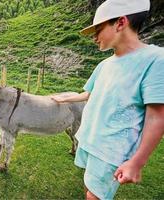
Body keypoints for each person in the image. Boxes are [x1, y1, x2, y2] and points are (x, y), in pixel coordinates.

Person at [51, 0, 164, 199]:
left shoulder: (155, 60)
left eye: (98, 30)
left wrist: (137, 162)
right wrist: (62, 99)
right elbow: (88, 94)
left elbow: (156, 117)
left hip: (111, 150)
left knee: (93, 196)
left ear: (120, 23)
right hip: (89, 139)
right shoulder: (104, 65)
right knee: (89, 187)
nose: (94, 38)